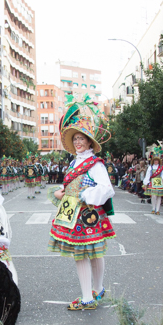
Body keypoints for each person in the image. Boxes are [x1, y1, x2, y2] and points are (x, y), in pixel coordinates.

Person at [50, 100, 115, 311]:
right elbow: (72, 185)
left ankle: (89, 297)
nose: (78, 142)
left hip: (87, 215)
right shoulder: (74, 162)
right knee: (92, 253)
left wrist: (84, 195)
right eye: (75, 138)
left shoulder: (95, 163)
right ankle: (97, 290)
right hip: (73, 212)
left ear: (89, 142)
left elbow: (106, 188)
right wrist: (61, 192)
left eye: (82, 139)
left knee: (86, 253)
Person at [142, 150, 163, 215]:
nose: (156, 162)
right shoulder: (150, 167)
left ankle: (158, 209)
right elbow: (148, 175)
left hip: (160, 183)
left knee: (159, 196)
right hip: (153, 182)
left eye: (157, 160)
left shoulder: (161, 168)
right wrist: (146, 182)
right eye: (155, 160)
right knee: (153, 196)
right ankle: (153, 208)